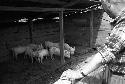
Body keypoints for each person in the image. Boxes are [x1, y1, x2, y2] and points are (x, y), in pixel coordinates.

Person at [59, 0, 125, 84]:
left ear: (107, 3)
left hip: (119, 77)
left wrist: (79, 73)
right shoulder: (120, 23)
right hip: (114, 72)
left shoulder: (123, 25)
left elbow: (106, 53)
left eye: (102, 5)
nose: (103, 10)